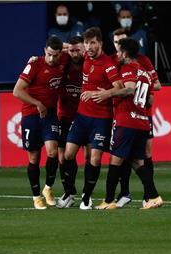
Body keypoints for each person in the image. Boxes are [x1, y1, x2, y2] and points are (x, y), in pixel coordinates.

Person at [94, 37, 163, 210]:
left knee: (115, 160)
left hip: (127, 121)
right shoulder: (145, 73)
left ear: (124, 52)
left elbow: (130, 88)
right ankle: (154, 197)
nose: (117, 54)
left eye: (118, 51)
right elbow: (149, 101)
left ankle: (109, 201)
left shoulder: (128, 67)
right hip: (142, 122)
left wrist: (108, 94)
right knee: (138, 163)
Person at [59, 27, 123, 210]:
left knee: (94, 159)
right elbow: (64, 47)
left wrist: (104, 94)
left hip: (101, 119)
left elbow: (120, 88)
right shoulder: (85, 56)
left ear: (100, 43)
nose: (89, 47)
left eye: (92, 43)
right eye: (86, 43)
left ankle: (87, 197)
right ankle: (70, 191)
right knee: (68, 155)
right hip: (81, 117)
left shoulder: (108, 64)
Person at [13, 36, 68, 210]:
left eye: (56, 55)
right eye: (49, 54)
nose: (52, 59)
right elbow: (17, 90)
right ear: (44, 50)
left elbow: (76, 48)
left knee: (53, 153)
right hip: (31, 115)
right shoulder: (35, 65)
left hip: (50, 115)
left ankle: (48, 189)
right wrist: (37, 104)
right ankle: (36, 196)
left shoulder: (63, 60)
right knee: (34, 157)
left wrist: (65, 48)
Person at [55, 36, 85, 208]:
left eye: (78, 50)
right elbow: (51, 48)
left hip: (85, 117)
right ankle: (69, 192)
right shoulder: (63, 60)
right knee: (63, 156)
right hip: (64, 116)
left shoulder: (89, 62)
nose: (75, 53)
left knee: (90, 156)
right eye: (72, 50)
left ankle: (86, 193)